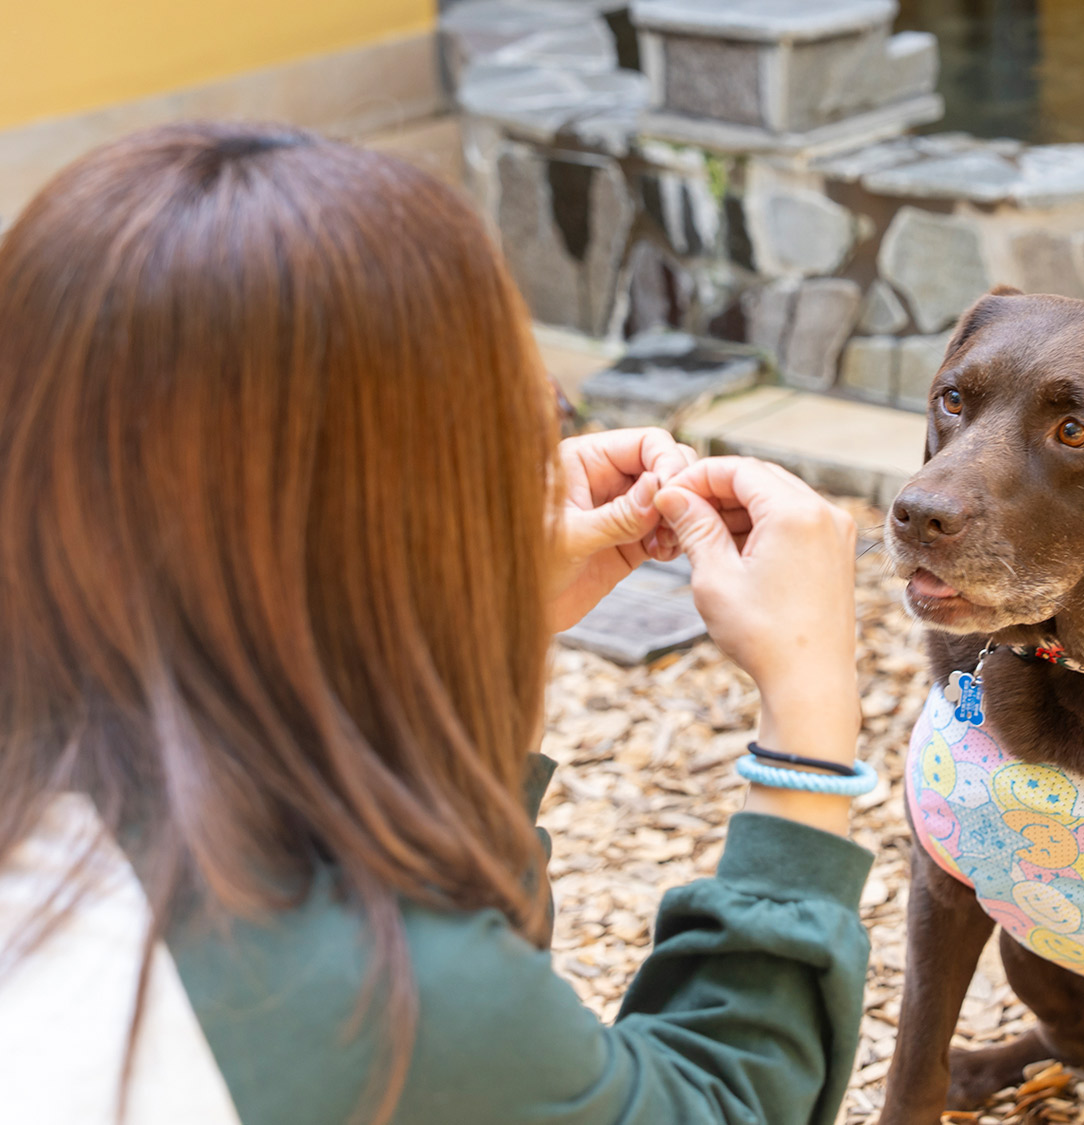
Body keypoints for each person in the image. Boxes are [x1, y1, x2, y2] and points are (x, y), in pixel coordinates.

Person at [0, 122, 875, 1125]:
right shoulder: (374, 992)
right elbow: (706, 1104)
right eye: (525, 415)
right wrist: (809, 707)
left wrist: (485, 632)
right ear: (386, 507)